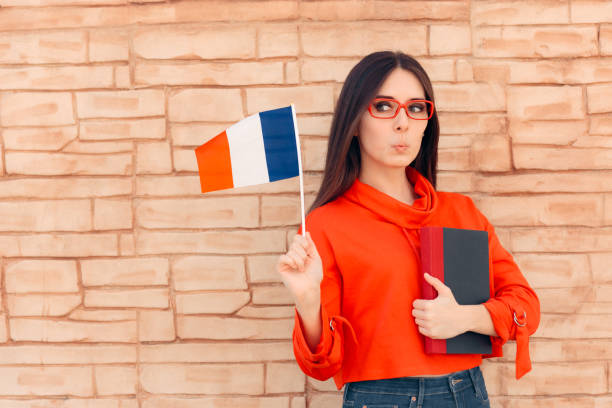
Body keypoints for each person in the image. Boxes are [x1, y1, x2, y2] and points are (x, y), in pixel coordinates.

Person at [276, 50, 540, 408]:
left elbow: (525, 304)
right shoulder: (325, 224)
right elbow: (321, 366)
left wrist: (467, 317)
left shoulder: (461, 211)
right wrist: (307, 302)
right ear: (354, 120)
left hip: (466, 393)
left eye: (416, 108)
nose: (403, 122)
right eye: (384, 107)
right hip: (379, 398)